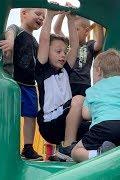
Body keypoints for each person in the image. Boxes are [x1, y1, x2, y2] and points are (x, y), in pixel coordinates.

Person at [71, 49, 120, 162]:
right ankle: (111, 152)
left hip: (104, 126)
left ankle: (99, 154)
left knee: (76, 152)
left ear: (99, 71)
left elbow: (86, 115)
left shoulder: (91, 90)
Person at [35, 9, 90, 161]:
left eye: (64, 52)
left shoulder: (65, 70)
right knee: (78, 99)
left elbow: (74, 45)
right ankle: (67, 148)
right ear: (47, 53)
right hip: (50, 125)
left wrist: (70, 19)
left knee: (94, 126)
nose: (63, 55)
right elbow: (45, 41)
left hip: (65, 122)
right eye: (58, 51)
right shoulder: (42, 70)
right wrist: (50, 16)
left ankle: (84, 153)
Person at [0, 8, 46, 160]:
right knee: (11, 115)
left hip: (30, 85)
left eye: (43, 17)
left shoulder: (35, 41)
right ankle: (9, 146)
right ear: (24, 13)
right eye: (38, 14)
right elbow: (9, 32)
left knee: (31, 115)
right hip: (13, 82)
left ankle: (28, 148)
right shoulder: (17, 30)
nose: (41, 18)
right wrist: (10, 42)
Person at [54, 7, 104, 97]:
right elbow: (57, 30)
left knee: (81, 105)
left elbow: (99, 44)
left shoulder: (89, 45)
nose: (71, 32)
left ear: (86, 31)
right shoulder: (68, 42)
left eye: (76, 29)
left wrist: (99, 23)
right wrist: (63, 14)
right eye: (70, 29)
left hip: (84, 84)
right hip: (68, 81)